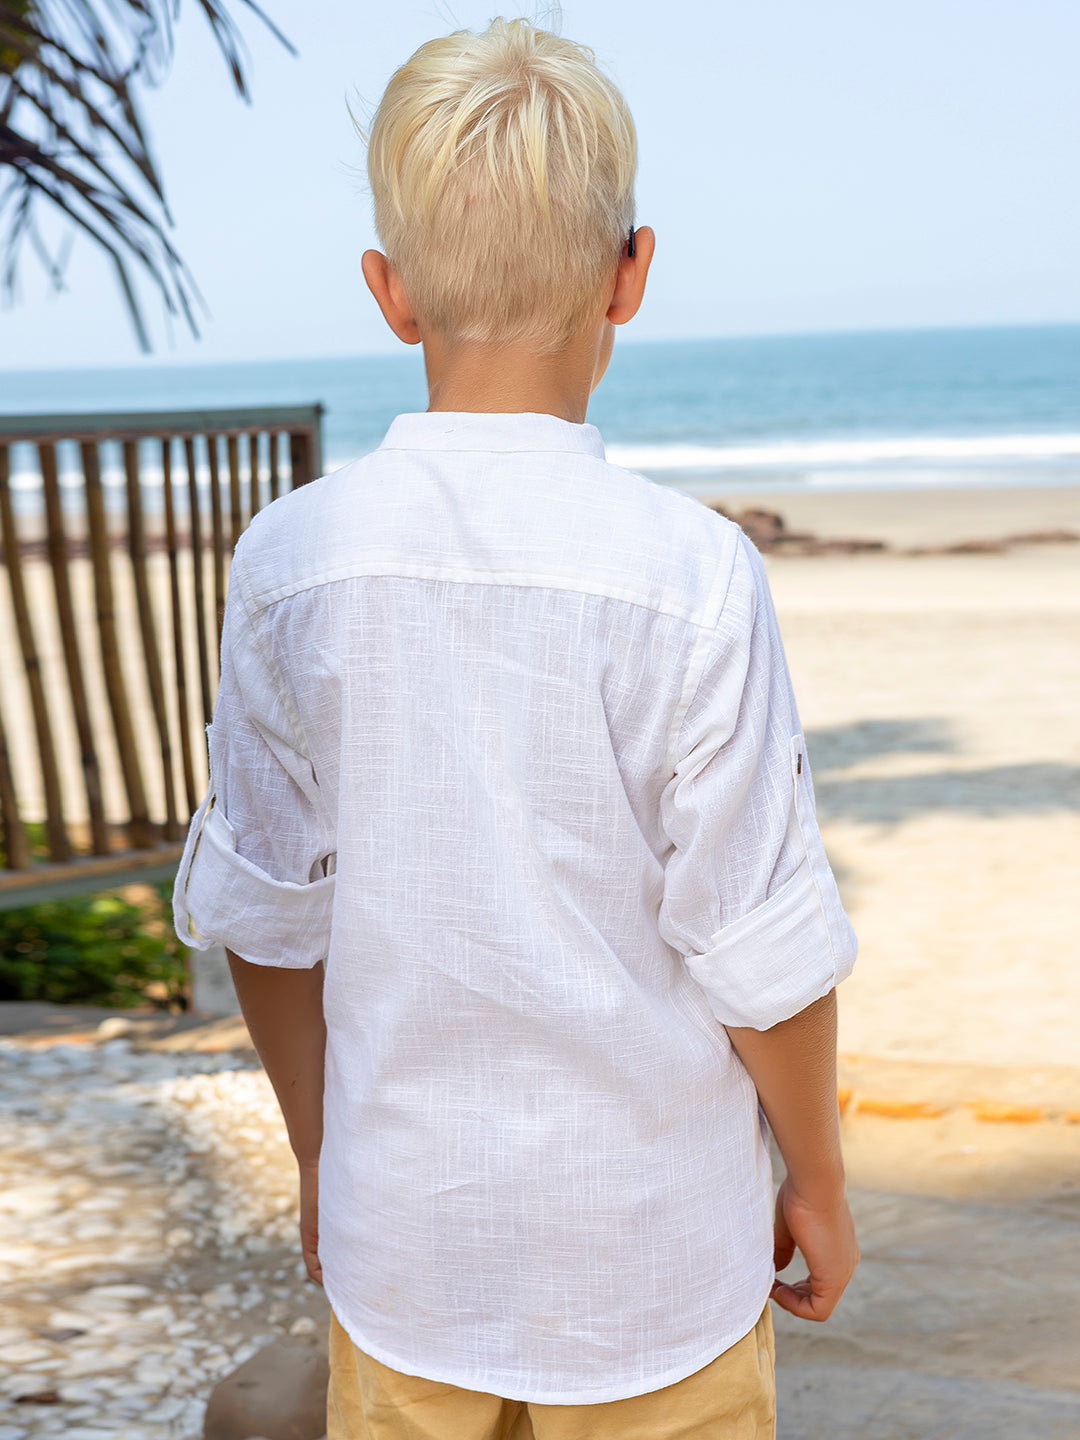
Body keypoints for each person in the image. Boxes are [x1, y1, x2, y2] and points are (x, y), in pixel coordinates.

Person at [173, 17, 859, 1438]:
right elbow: (758, 945)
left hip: (408, 1247)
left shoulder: (293, 566)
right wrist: (820, 1177)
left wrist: (324, 1158)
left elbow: (269, 919)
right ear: (631, 275)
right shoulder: (692, 576)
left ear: (391, 291)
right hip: (656, 1262)